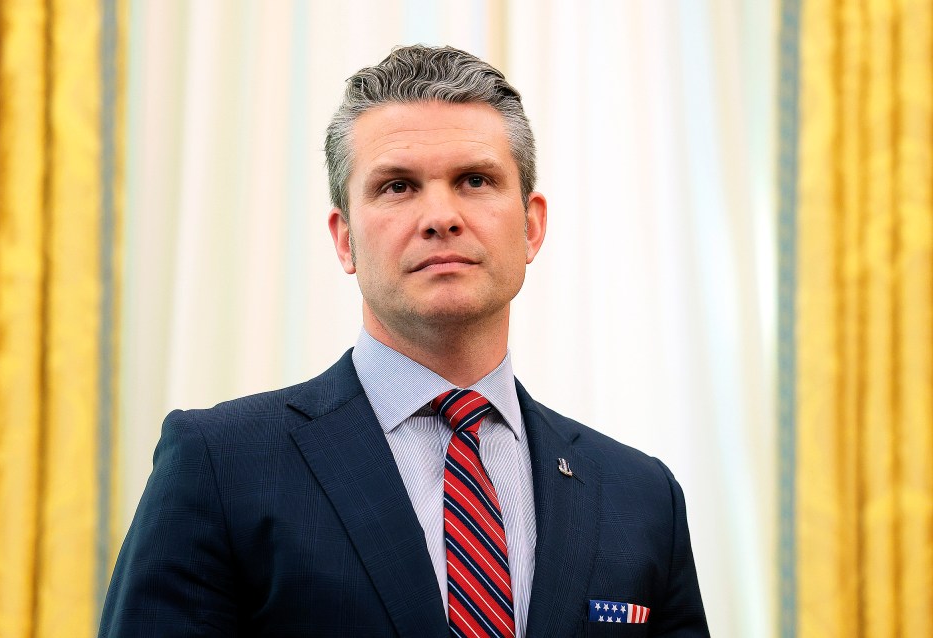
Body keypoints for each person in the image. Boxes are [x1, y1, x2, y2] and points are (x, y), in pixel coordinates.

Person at [100, 45, 709, 637]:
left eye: (474, 180)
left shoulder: (642, 496)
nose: (440, 215)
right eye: (397, 186)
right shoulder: (220, 465)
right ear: (344, 239)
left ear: (531, 226)